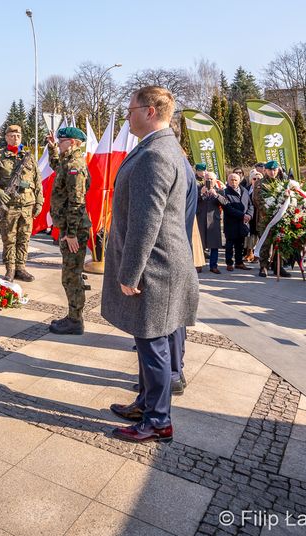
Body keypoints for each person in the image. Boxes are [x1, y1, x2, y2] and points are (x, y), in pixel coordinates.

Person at [103, 86, 199, 444]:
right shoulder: (160, 147)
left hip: (155, 269)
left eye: (130, 110)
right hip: (161, 265)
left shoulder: (155, 154)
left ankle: (158, 421)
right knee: (149, 342)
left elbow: (147, 221)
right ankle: (145, 404)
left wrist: (130, 273)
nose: (127, 116)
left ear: (150, 111)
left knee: (153, 345)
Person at [0, 124, 43, 282]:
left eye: (17, 136)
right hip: (9, 205)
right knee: (9, 238)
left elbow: (38, 181)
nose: (15, 138)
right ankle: (10, 269)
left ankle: (21, 268)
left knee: (24, 238)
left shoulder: (29, 157)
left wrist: (39, 203)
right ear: (6, 138)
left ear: (21, 137)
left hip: (27, 205)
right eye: (11, 136)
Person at [47, 126, 91, 335]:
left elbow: (77, 201)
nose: (59, 143)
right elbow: (56, 166)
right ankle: (74, 316)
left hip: (75, 229)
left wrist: (71, 233)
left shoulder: (75, 166)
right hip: (69, 227)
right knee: (70, 274)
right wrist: (51, 148)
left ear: (73, 142)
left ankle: (75, 320)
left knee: (71, 276)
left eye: (62, 141)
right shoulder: (67, 161)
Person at [256, 160, 290, 278]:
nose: (272, 172)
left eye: (275, 170)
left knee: (279, 244)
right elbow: (259, 201)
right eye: (270, 170)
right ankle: (263, 267)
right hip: (266, 220)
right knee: (265, 245)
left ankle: (278, 267)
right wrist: (272, 212)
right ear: (265, 170)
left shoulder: (282, 183)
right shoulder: (261, 183)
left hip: (280, 219)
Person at [221, 171, 252, 271]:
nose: (233, 182)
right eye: (231, 180)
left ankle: (239, 262)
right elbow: (228, 208)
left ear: (239, 181)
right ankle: (229, 263)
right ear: (228, 181)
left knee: (240, 244)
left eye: (235, 180)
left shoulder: (245, 191)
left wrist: (249, 215)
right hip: (231, 223)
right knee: (230, 244)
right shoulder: (224, 192)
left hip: (243, 223)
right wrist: (243, 215)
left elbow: (250, 205)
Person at [197, 170, 226, 274]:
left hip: (214, 221)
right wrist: (201, 193)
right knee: (200, 244)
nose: (209, 180)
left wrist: (216, 195)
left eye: (211, 179)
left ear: (215, 180)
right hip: (201, 219)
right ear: (203, 180)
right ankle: (199, 265)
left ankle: (213, 266)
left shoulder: (220, 190)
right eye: (207, 179)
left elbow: (225, 203)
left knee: (214, 245)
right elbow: (193, 201)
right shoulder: (198, 189)